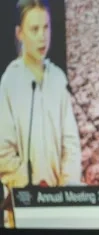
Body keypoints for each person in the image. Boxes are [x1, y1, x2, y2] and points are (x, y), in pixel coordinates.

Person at [0, 0, 82, 227]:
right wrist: (33, 186)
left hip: (62, 205)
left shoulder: (58, 78)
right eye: (34, 30)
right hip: (25, 206)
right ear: (19, 33)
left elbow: (71, 143)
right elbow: (3, 151)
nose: (42, 37)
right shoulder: (10, 82)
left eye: (46, 28)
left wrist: (67, 189)